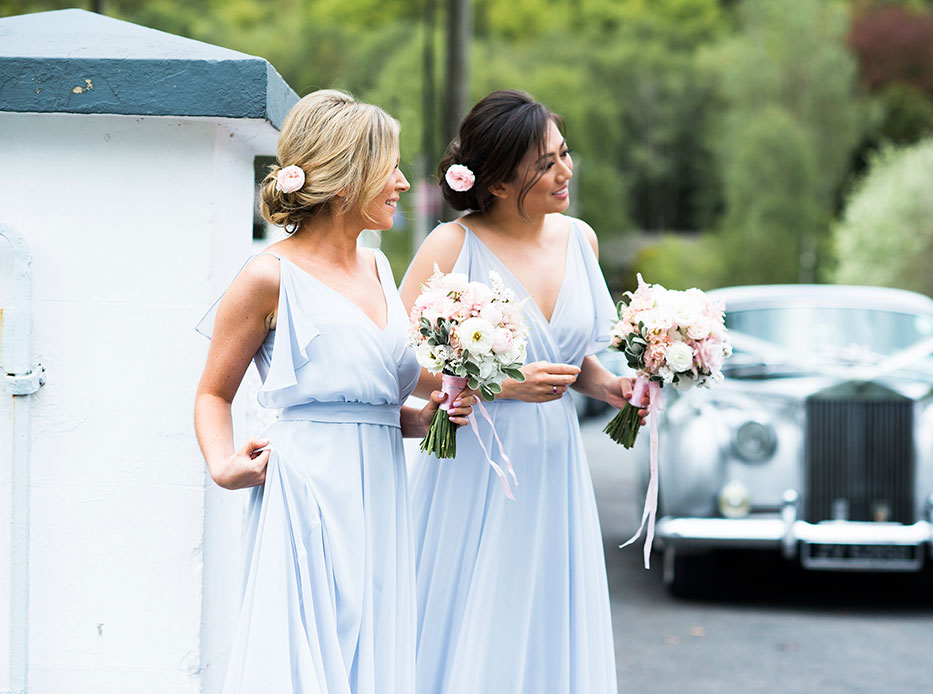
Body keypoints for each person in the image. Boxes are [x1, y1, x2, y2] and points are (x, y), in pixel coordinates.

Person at [194, 89, 473, 694]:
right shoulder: (268, 277)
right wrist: (222, 465)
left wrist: (429, 416)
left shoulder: (378, 267)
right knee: (303, 653)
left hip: (381, 487)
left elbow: (371, 401)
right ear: (346, 180)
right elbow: (213, 393)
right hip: (306, 487)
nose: (402, 182)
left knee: (371, 647)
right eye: (389, 168)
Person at [400, 89, 644, 694]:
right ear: (500, 183)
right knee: (475, 609)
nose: (564, 173)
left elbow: (565, 353)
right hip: (476, 462)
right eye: (545, 164)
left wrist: (609, 385)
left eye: (564, 155)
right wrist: (504, 385)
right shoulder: (452, 246)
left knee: (543, 611)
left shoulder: (579, 239)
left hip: (555, 463)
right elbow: (401, 362)